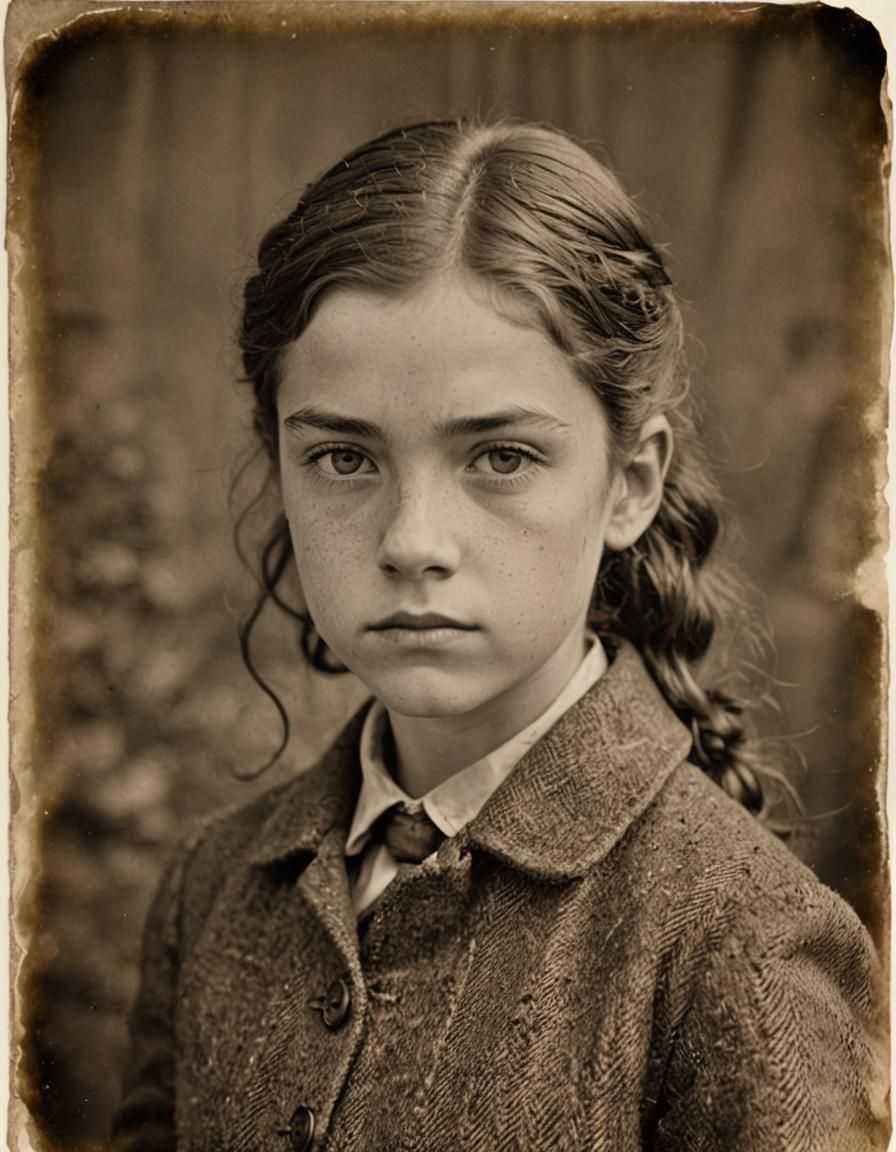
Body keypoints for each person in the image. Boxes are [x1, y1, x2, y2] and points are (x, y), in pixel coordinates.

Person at [113, 119, 888, 1152]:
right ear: (281, 462)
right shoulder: (212, 892)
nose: (411, 542)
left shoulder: (735, 942)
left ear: (628, 483)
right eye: (344, 459)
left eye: (500, 457)